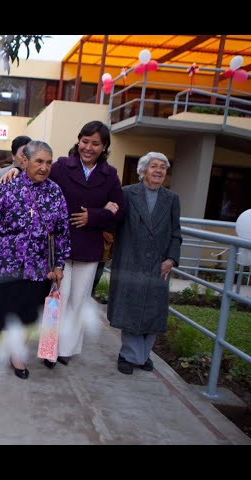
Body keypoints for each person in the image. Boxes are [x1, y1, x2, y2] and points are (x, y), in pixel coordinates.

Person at [0, 121, 124, 368]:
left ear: (104, 147)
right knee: (57, 300)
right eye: (85, 141)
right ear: (78, 141)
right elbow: (36, 176)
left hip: (89, 247)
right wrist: (13, 172)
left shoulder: (109, 175)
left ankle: (67, 349)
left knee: (79, 300)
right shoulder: (60, 166)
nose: (88, 147)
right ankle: (49, 349)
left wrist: (95, 216)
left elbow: (119, 211)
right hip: (57, 248)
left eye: (95, 143)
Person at [0, 140, 71, 379]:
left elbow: (61, 232)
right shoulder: (6, 186)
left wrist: (58, 264)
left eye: (48, 162)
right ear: (24, 161)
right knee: (1, 310)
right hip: (4, 263)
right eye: (39, 161)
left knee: (28, 313)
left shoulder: (55, 192)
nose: (44, 167)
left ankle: (17, 355)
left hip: (38, 267)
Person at [107, 152, 182, 375]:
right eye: (153, 167)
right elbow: (115, 223)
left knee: (152, 311)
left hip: (158, 264)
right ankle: (128, 356)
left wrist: (171, 258)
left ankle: (143, 355)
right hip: (131, 260)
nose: (158, 171)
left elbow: (176, 233)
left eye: (162, 167)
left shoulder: (171, 199)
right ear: (143, 171)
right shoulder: (127, 193)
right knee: (130, 309)